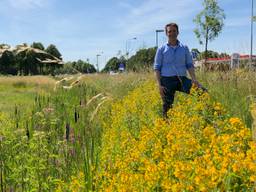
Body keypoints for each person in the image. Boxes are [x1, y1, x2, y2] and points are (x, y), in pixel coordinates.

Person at [154, 22, 203, 117]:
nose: (172, 33)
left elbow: (189, 64)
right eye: (169, 31)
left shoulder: (184, 48)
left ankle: (202, 116)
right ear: (166, 33)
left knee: (202, 92)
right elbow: (157, 68)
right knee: (167, 106)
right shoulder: (161, 49)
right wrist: (159, 85)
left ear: (178, 32)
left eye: (174, 31)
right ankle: (166, 126)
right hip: (167, 80)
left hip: (182, 79)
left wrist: (194, 79)